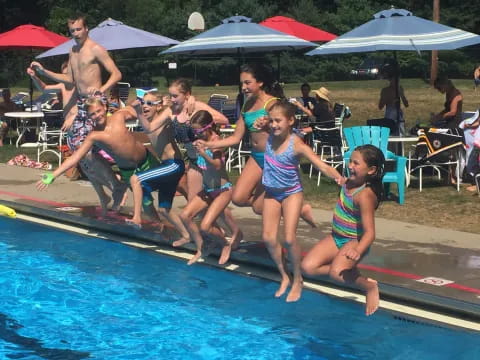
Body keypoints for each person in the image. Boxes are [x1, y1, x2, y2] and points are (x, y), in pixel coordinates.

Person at [195, 63, 316, 226]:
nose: (243, 87)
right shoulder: (247, 105)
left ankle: (296, 210)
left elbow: (287, 129)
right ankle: (294, 209)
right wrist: (208, 145)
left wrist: (268, 124)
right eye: (242, 83)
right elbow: (236, 138)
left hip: (271, 158)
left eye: (247, 82)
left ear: (259, 83)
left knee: (259, 208)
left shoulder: (272, 103)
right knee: (238, 198)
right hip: (256, 157)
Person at [28, 13, 125, 215]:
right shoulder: (73, 51)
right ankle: (105, 192)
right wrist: (45, 72)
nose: (76, 34)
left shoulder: (96, 49)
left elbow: (116, 74)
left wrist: (102, 89)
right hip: (82, 103)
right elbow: (70, 80)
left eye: (79, 29)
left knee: (86, 148)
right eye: (72, 31)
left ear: (86, 29)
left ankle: (116, 187)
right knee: (77, 149)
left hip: (95, 101)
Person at [261, 101, 344, 303]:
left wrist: (340, 179)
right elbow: (258, 123)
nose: (273, 125)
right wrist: (261, 122)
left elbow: (321, 165)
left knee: (289, 239)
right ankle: (284, 275)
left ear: (290, 121)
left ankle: (298, 279)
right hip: (271, 193)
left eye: (278, 121)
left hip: (291, 193)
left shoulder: (297, 144)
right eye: (271, 121)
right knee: (269, 238)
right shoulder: (270, 132)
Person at [140, 78, 236, 248]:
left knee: (216, 200)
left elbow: (223, 120)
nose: (172, 99)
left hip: (208, 160)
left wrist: (194, 109)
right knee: (196, 206)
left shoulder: (196, 107)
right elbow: (150, 127)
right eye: (170, 95)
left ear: (187, 95)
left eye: (175, 96)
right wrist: (138, 110)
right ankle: (216, 239)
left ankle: (234, 233)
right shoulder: (171, 111)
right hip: (193, 162)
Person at [301, 144, 385, 315]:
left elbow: (370, 233)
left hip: (354, 241)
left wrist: (358, 250)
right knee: (307, 267)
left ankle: (368, 286)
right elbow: (331, 171)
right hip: (336, 237)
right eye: (350, 161)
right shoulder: (348, 182)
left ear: (371, 170)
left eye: (356, 163)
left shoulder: (365, 195)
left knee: (336, 273)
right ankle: (346, 270)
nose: (350, 166)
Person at [36, 96, 153, 204]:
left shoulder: (119, 117)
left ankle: (115, 193)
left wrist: (150, 107)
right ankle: (114, 197)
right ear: (88, 116)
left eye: (99, 111)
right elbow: (75, 157)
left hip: (146, 158)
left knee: (165, 189)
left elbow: (141, 111)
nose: (97, 115)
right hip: (128, 170)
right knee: (147, 203)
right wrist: (53, 175)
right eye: (92, 114)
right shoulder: (94, 135)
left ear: (105, 107)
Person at [126, 91, 190, 247]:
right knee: (163, 209)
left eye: (150, 103)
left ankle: (136, 218)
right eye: (143, 103)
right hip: (166, 167)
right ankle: (186, 235)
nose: (145, 106)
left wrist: (172, 104)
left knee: (136, 178)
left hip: (174, 164)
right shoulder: (147, 120)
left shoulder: (164, 118)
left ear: (158, 106)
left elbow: (173, 111)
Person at [180, 110, 242, 265]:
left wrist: (203, 152)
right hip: (207, 190)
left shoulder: (216, 141)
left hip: (222, 191)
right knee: (185, 216)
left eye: (198, 131)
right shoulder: (201, 141)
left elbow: (217, 165)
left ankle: (225, 245)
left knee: (206, 226)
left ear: (208, 127)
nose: (197, 135)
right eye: (194, 132)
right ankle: (204, 246)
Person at [27, 61, 76, 132]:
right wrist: (34, 76)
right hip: (68, 125)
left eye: (67, 75)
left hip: (79, 123)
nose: (65, 78)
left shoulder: (80, 87)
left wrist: (73, 118)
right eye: (63, 75)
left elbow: (86, 108)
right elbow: (44, 88)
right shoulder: (62, 86)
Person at [378, 62, 409, 136]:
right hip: (389, 115)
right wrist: (388, 100)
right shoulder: (385, 90)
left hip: (399, 115)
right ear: (390, 80)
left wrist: (401, 95)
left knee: (400, 134)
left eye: (397, 80)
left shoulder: (400, 88)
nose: (395, 82)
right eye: (393, 80)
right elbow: (380, 106)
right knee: (390, 136)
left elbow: (406, 104)